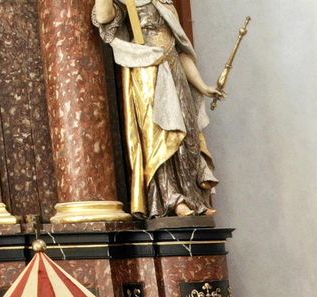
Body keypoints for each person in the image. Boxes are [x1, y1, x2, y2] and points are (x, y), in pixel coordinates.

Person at [91, 0, 221, 217]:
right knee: (160, 136)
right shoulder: (126, 3)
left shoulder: (164, 1)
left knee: (188, 136)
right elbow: (104, 17)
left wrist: (202, 86)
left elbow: (180, 48)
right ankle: (172, 200)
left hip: (174, 69)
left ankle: (193, 198)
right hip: (147, 71)